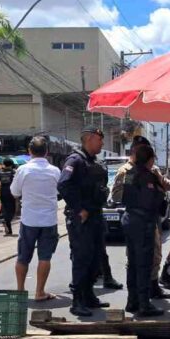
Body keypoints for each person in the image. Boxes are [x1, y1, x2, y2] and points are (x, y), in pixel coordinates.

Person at [57, 126, 110, 317]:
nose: (102, 143)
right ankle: (77, 301)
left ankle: (89, 296)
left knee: (96, 259)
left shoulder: (93, 162)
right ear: (88, 139)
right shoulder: (75, 160)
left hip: (96, 215)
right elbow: (63, 184)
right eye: (99, 139)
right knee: (82, 259)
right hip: (82, 219)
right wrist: (79, 209)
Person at [111, 136, 170, 299]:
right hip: (137, 218)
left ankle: (152, 286)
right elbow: (117, 195)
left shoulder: (153, 170)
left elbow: (164, 184)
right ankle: (139, 296)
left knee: (156, 253)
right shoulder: (126, 171)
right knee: (137, 259)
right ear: (134, 151)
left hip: (153, 218)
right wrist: (141, 196)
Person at [11, 136, 62, 301]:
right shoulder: (55, 171)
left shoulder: (23, 170)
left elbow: (14, 192)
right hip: (49, 220)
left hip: (29, 220)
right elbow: (60, 192)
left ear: (29, 151)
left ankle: (20, 291)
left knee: (22, 257)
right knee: (45, 257)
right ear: (47, 152)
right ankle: (40, 292)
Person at [122, 144, 166, 317]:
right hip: (142, 222)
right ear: (150, 159)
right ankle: (144, 304)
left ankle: (132, 301)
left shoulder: (130, 173)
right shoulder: (147, 176)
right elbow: (151, 201)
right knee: (143, 264)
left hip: (130, 219)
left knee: (133, 263)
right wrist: (160, 192)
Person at [0, 158, 17, 235]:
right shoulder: (13, 172)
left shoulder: (0, 172)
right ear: (11, 164)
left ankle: (9, 230)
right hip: (11, 191)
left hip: (2, 191)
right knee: (12, 210)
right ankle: (6, 221)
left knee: (5, 209)